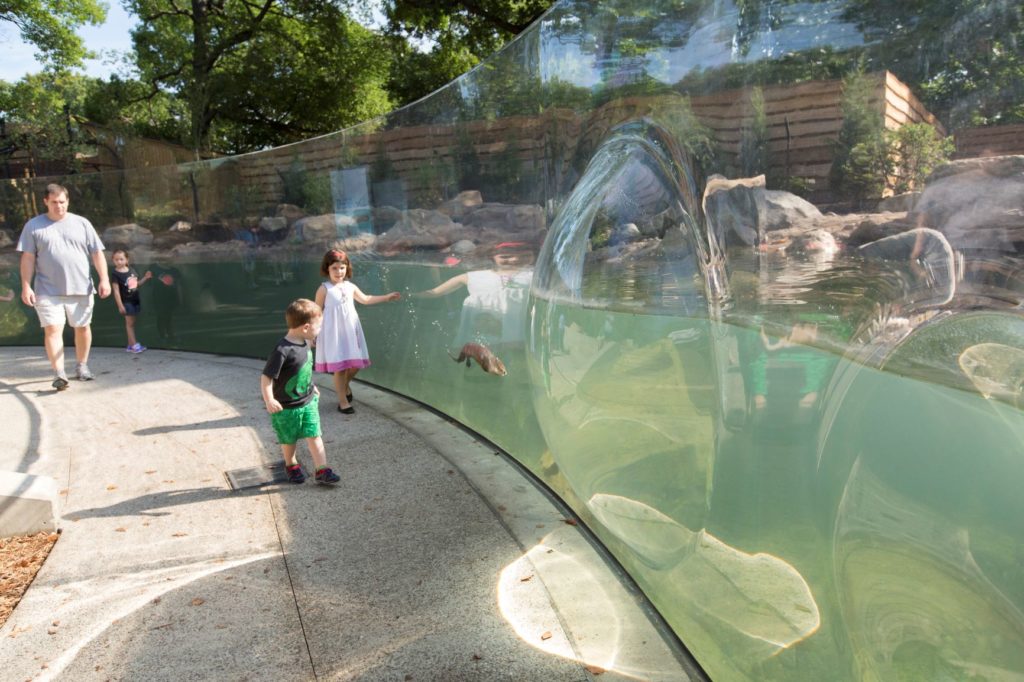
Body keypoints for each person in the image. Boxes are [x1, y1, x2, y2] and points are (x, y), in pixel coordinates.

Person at [16, 183, 111, 390]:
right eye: (54, 202)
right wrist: (26, 286)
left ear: (67, 201)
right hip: (47, 290)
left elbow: (96, 253)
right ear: (45, 202)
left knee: (83, 327)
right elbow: (28, 258)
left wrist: (104, 278)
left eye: (62, 202)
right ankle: (59, 373)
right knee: (52, 330)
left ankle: (82, 366)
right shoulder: (33, 226)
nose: (59, 206)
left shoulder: (82, 223)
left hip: (81, 287)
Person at [260, 298, 340, 485]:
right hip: (286, 408)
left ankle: (322, 469)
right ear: (305, 327)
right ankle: (291, 464)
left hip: (308, 401)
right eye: (318, 327)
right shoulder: (282, 350)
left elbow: (303, 369)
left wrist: (312, 386)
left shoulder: (305, 343)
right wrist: (269, 399)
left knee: (314, 434)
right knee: (289, 439)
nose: (319, 331)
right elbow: (266, 377)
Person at [314, 249, 401, 414]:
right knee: (340, 368)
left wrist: (386, 297)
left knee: (355, 364)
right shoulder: (324, 289)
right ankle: (342, 401)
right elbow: (316, 312)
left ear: (347, 268)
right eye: (334, 268)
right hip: (333, 334)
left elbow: (366, 299)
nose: (339, 272)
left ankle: (344, 386)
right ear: (327, 269)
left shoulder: (350, 286)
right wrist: (314, 334)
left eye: (342, 267)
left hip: (351, 331)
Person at [414, 241, 534, 348]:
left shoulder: (532, 276)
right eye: (504, 256)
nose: (511, 260)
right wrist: (407, 295)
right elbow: (435, 292)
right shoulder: (474, 276)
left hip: (518, 336)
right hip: (482, 333)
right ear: (492, 257)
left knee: (515, 359)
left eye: (515, 256)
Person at [110, 249, 153, 353]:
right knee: (129, 324)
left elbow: (136, 284)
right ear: (113, 261)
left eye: (121, 259)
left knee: (132, 323)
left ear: (126, 259)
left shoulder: (132, 270)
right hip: (126, 302)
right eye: (116, 259)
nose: (119, 261)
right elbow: (116, 291)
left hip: (135, 300)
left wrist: (145, 278)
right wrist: (120, 306)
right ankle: (134, 346)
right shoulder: (115, 274)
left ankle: (130, 346)